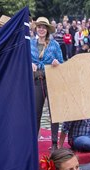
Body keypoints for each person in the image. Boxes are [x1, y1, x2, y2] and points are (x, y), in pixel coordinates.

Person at [31, 17, 64, 151]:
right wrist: (29, 63)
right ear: (36, 29)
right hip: (36, 81)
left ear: (48, 30)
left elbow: (62, 62)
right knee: (36, 113)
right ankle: (33, 141)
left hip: (51, 80)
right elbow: (22, 60)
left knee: (54, 113)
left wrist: (57, 63)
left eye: (44, 27)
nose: (41, 29)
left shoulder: (54, 44)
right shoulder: (30, 44)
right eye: (39, 27)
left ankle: (55, 143)